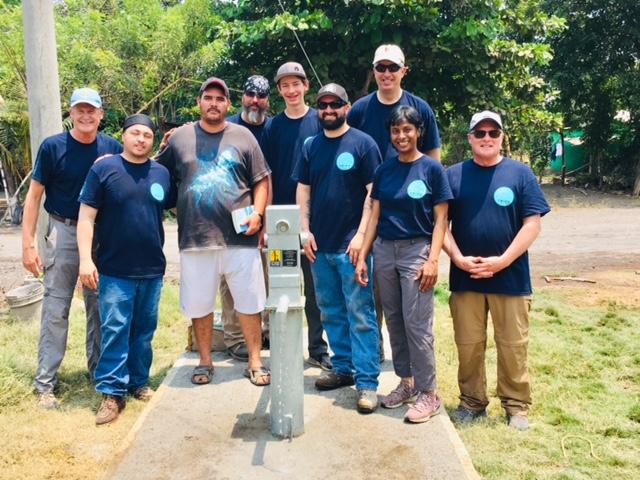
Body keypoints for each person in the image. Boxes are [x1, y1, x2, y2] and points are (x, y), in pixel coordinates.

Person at [157, 77, 272, 387]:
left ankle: (255, 360)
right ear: (199, 102)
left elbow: (262, 180)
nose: (213, 103)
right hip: (196, 237)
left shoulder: (244, 136)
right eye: (208, 97)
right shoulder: (181, 137)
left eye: (220, 99)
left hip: (240, 237)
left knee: (249, 302)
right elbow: (156, 172)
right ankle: (205, 361)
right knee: (200, 303)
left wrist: (259, 214)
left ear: (227, 105)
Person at [445, 111, 550, 431]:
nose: (487, 138)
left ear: (502, 137)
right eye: (480, 133)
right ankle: (472, 403)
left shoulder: (521, 174)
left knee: (513, 346)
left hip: (511, 277)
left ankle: (516, 406)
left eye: (493, 132)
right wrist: (458, 258)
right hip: (466, 278)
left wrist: (503, 260)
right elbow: (440, 226)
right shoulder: (454, 175)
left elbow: (532, 224)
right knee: (468, 344)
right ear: (470, 138)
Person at [21, 87, 122, 409]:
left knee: (99, 307)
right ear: (71, 113)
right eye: (79, 110)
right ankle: (46, 383)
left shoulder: (112, 147)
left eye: (92, 110)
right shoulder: (53, 147)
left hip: (100, 235)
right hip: (63, 231)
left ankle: (98, 373)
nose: (86, 116)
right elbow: (34, 197)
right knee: (56, 307)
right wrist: (28, 245)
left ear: (101, 115)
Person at [356, 106, 452, 423]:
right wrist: (365, 256)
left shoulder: (432, 170)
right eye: (396, 131)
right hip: (384, 251)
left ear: (418, 131)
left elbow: (441, 220)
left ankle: (429, 393)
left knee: (417, 324)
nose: (401, 136)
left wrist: (433, 259)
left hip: (417, 251)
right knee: (395, 320)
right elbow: (374, 217)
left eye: (407, 130)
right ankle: (406, 382)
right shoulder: (384, 171)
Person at [77, 114, 172, 425]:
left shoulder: (161, 173)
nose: (140, 139)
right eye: (135, 133)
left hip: (152, 268)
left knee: (144, 331)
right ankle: (111, 392)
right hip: (115, 269)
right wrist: (85, 260)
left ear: (153, 141)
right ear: (124, 135)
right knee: (115, 329)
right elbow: (86, 218)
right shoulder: (104, 169)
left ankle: (138, 382)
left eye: (146, 135)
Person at [294, 83, 381, 413]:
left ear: (346, 107)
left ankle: (368, 382)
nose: (329, 110)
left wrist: (360, 237)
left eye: (335, 104)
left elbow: (373, 195)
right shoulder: (311, 145)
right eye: (323, 105)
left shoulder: (363, 144)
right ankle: (342, 368)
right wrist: (304, 231)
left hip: (352, 248)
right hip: (320, 247)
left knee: (360, 313)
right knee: (330, 309)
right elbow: (303, 190)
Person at [262, 62, 331, 371]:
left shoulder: (320, 121)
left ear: (306, 86)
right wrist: (267, 220)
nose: (291, 90)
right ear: (279, 91)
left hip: (314, 220)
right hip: (280, 222)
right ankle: (283, 349)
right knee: (282, 286)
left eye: (296, 84)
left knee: (315, 288)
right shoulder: (273, 126)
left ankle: (318, 349)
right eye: (285, 85)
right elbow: (266, 174)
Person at [222, 74, 272, 360]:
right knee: (230, 279)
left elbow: (268, 176)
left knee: (266, 276)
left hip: (263, 212)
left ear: (267, 100)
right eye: (251, 94)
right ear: (242, 96)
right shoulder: (227, 125)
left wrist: (264, 219)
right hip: (230, 213)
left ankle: (266, 332)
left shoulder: (272, 128)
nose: (255, 101)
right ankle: (234, 337)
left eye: (261, 96)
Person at [347, 44, 441, 162]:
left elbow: (432, 154)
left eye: (393, 68)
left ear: (403, 71)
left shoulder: (421, 109)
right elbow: (347, 149)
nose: (386, 74)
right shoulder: (358, 110)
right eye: (381, 68)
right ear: (374, 71)